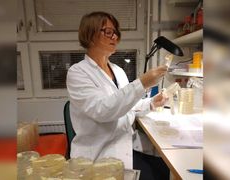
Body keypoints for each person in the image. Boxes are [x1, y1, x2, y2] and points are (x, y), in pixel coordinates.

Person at [66, 11, 169, 179]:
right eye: (108, 32)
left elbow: (128, 105)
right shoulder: (77, 73)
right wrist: (142, 83)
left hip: (126, 147)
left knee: (166, 171)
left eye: (116, 32)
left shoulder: (118, 70)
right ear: (90, 34)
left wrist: (151, 103)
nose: (115, 37)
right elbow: (102, 111)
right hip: (99, 156)